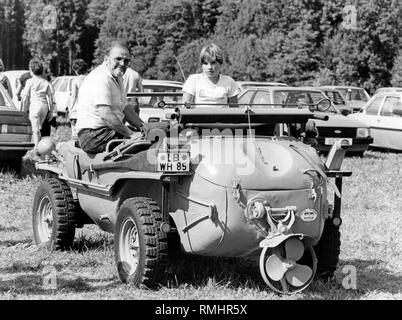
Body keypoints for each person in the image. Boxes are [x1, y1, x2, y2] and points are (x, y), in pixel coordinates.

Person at [75, 41, 144, 154]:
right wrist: (131, 135)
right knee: (142, 144)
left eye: (126, 60)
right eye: (118, 59)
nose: (122, 63)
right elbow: (105, 114)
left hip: (105, 132)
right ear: (106, 59)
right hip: (93, 136)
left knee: (147, 137)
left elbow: (126, 109)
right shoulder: (101, 78)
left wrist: (145, 128)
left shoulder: (117, 78)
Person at [182, 43, 240, 108]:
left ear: (220, 63)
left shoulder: (229, 81)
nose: (209, 67)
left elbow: (235, 110)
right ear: (201, 65)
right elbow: (184, 109)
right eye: (205, 63)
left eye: (213, 63)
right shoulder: (193, 80)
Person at [21, 59, 55, 157]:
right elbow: (51, 98)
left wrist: (23, 111)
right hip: (44, 106)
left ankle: (37, 149)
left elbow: (25, 97)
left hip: (35, 105)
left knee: (35, 130)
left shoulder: (30, 81)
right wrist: (51, 111)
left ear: (31, 70)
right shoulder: (46, 82)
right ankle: (42, 148)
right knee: (39, 127)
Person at [67, 58, 88, 139]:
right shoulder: (89, 78)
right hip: (88, 109)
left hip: (77, 109)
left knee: (75, 133)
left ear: (76, 70)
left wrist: (70, 109)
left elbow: (74, 96)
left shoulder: (75, 80)